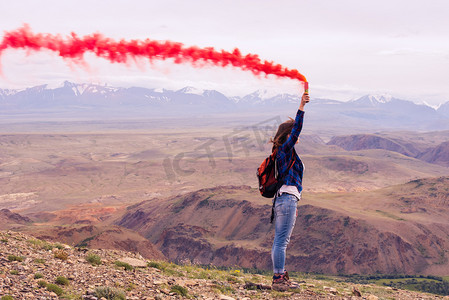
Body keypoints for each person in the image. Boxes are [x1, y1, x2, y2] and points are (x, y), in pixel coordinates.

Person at [270, 91, 309, 291]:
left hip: (283, 199)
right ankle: (278, 278)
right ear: (288, 135)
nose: (298, 136)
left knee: (280, 240)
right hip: (287, 199)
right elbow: (296, 130)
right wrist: (301, 106)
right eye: (294, 133)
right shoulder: (285, 149)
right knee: (281, 241)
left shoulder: (282, 151)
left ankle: (279, 275)